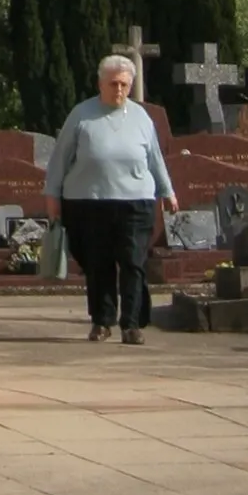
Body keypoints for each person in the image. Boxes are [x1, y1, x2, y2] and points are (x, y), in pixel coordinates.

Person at [43, 54, 178, 343]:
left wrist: (166, 191)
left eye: (125, 85)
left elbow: (154, 157)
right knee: (98, 263)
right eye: (113, 84)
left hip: (136, 200)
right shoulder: (81, 114)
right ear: (100, 84)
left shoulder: (142, 117)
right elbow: (59, 159)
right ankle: (102, 321)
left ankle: (132, 323)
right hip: (89, 202)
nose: (119, 90)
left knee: (133, 262)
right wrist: (52, 195)